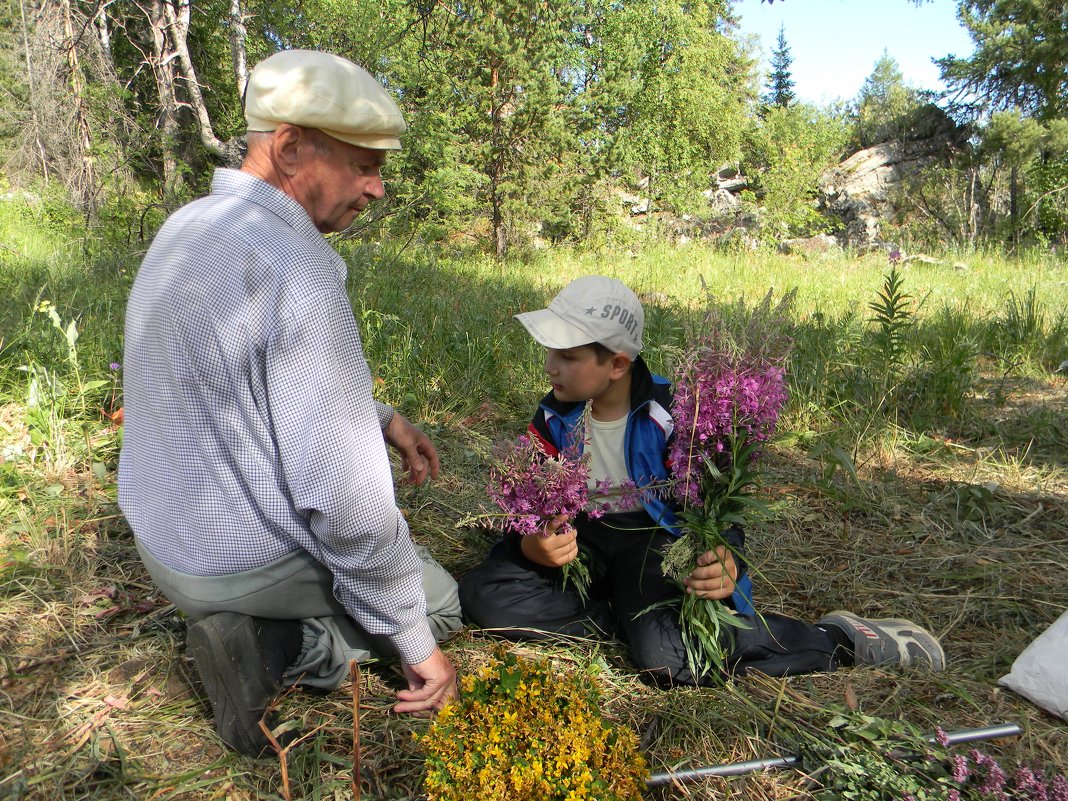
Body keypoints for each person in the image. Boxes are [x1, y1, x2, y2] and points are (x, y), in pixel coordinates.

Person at [118, 49, 461, 756]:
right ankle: (288, 646)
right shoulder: (296, 265)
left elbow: (242, 380)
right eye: (363, 165)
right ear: (291, 146)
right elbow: (345, 501)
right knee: (442, 598)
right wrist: (416, 640)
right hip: (232, 566)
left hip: (162, 541)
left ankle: (252, 622)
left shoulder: (185, 230)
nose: (376, 190)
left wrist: (383, 419)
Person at [459, 275, 944, 686]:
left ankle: (834, 640)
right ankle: (635, 622)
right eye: (551, 351)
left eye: (567, 355)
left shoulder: (676, 414)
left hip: (651, 541)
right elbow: (531, 502)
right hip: (583, 538)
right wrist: (530, 547)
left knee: (669, 660)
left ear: (617, 364)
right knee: (484, 597)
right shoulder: (554, 416)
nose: (550, 366)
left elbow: (714, 502)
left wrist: (727, 555)